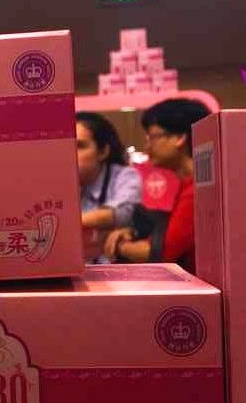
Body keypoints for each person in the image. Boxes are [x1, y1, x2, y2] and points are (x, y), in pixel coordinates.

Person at [104, 98, 211, 273]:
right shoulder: (190, 184)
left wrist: (117, 245)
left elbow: (159, 252)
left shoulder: (196, 190)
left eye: (153, 137)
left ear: (179, 138)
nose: (147, 146)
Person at [76, 112, 142, 263]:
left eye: (80, 146)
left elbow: (121, 214)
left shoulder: (125, 176)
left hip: (115, 270)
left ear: (103, 151)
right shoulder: (60, 182)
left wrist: (65, 222)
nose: (70, 153)